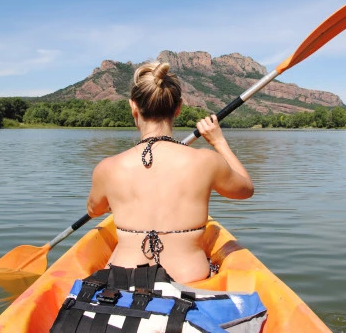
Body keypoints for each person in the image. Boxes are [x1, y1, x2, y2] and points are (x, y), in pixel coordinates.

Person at [87, 61, 254, 284]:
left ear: (133, 107)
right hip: (190, 279)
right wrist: (219, 142)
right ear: (178, 108)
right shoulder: (206, 161)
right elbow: (245, 190)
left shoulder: (107, 168)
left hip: (121, 281)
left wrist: (113, 199)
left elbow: (94, 210)